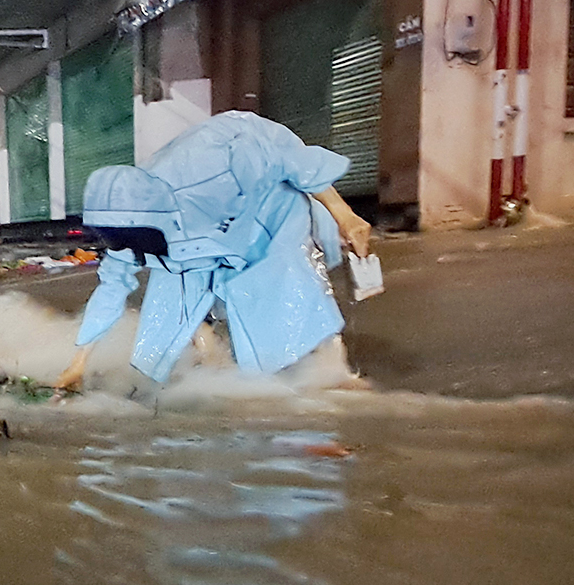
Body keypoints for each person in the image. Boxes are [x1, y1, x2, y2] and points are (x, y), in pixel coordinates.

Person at [54, 110, 373, 391]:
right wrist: (79, 362)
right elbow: (112, 287)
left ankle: (333, 368)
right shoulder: (129, 220)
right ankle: (215, 354)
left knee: (285, 276)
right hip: (201, 221)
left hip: (268, 198)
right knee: (179, 289)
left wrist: (344, 214)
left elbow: (292, 162)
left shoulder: (216, 167)